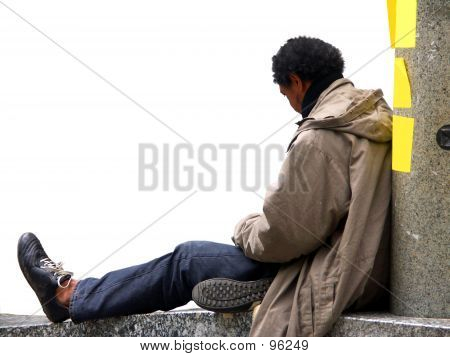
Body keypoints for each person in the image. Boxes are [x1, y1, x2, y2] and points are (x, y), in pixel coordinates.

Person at [18, 36, 392, 337]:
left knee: (187, 260)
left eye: (286, 94)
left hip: (325, 274)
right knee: (197, 260)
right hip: (368, 271)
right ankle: (257, 289)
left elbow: (283, 237)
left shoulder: (322, 136)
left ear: (296, 81)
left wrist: (244, 229)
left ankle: (66, 295)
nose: (292, 105)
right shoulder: (376, 118)